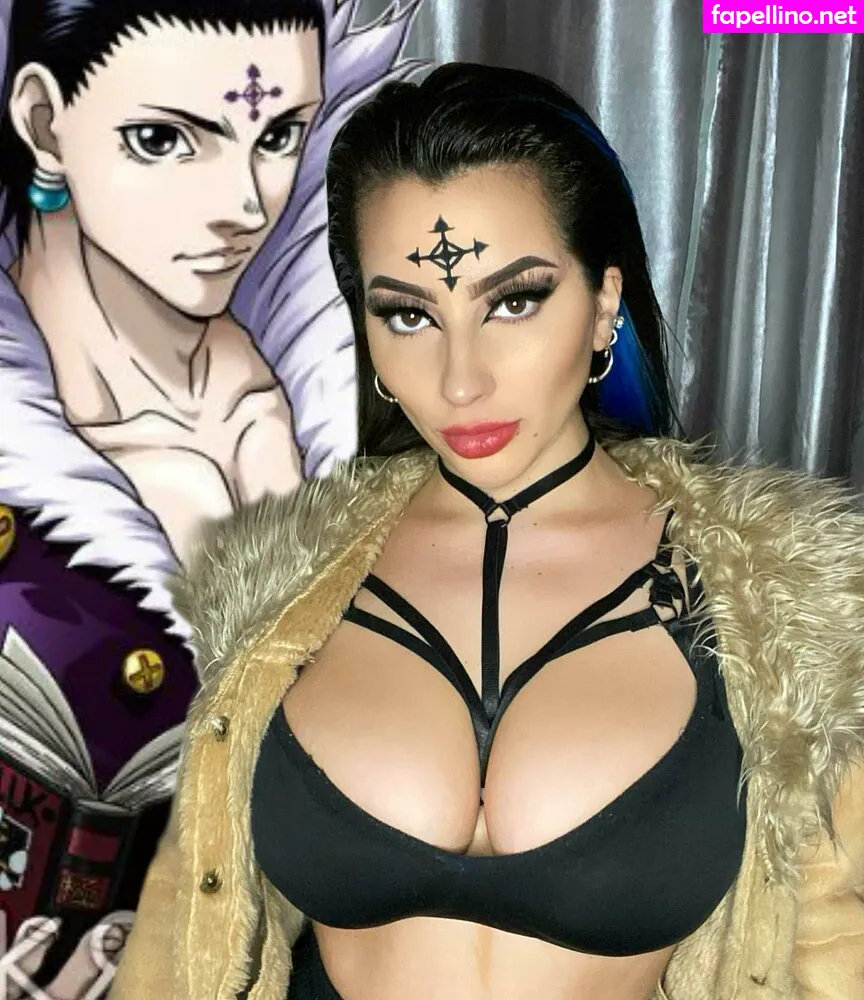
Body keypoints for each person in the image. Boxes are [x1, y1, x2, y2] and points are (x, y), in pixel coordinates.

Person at [110, 63, 864, 1000]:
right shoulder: (276, 589)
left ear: (603, 303)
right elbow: (182, 935)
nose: (460, 380)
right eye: (408, 314)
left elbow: (835, 948)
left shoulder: (789, 603)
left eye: (513, 301)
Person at [0, 0, 419, 995]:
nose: (243, 202)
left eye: (278, 134)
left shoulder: (365, 394)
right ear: (44, 121)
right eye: (165, 139)